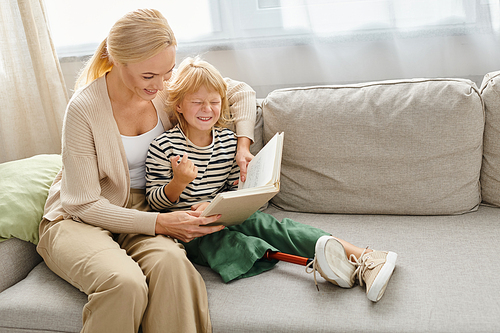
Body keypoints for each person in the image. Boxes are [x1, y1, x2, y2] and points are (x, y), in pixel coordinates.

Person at [36, 9, 257, 333]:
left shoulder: (167, 89)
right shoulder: (84, 109)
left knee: (173, 268)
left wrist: (242, 144)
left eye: (167, 72)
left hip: (145, 205)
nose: (161, 85)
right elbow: (81, 203)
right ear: (117, 60)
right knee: (124, 284)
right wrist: (160, 223)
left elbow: (240, 92)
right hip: (78, 216)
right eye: (148, 77)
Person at [145, 57, 398, 303]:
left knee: (276, 228)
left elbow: (232, 187)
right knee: (230, 243)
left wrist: (243, 189)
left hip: (223, 214)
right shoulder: (163, 147)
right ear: (178, 105)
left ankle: (367, 256)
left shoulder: (228, 142)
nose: (207, 109)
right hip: (190, 229)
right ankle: (327, 266)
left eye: (214, 102)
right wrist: (178, 182)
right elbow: (155, 203)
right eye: (197, 102)